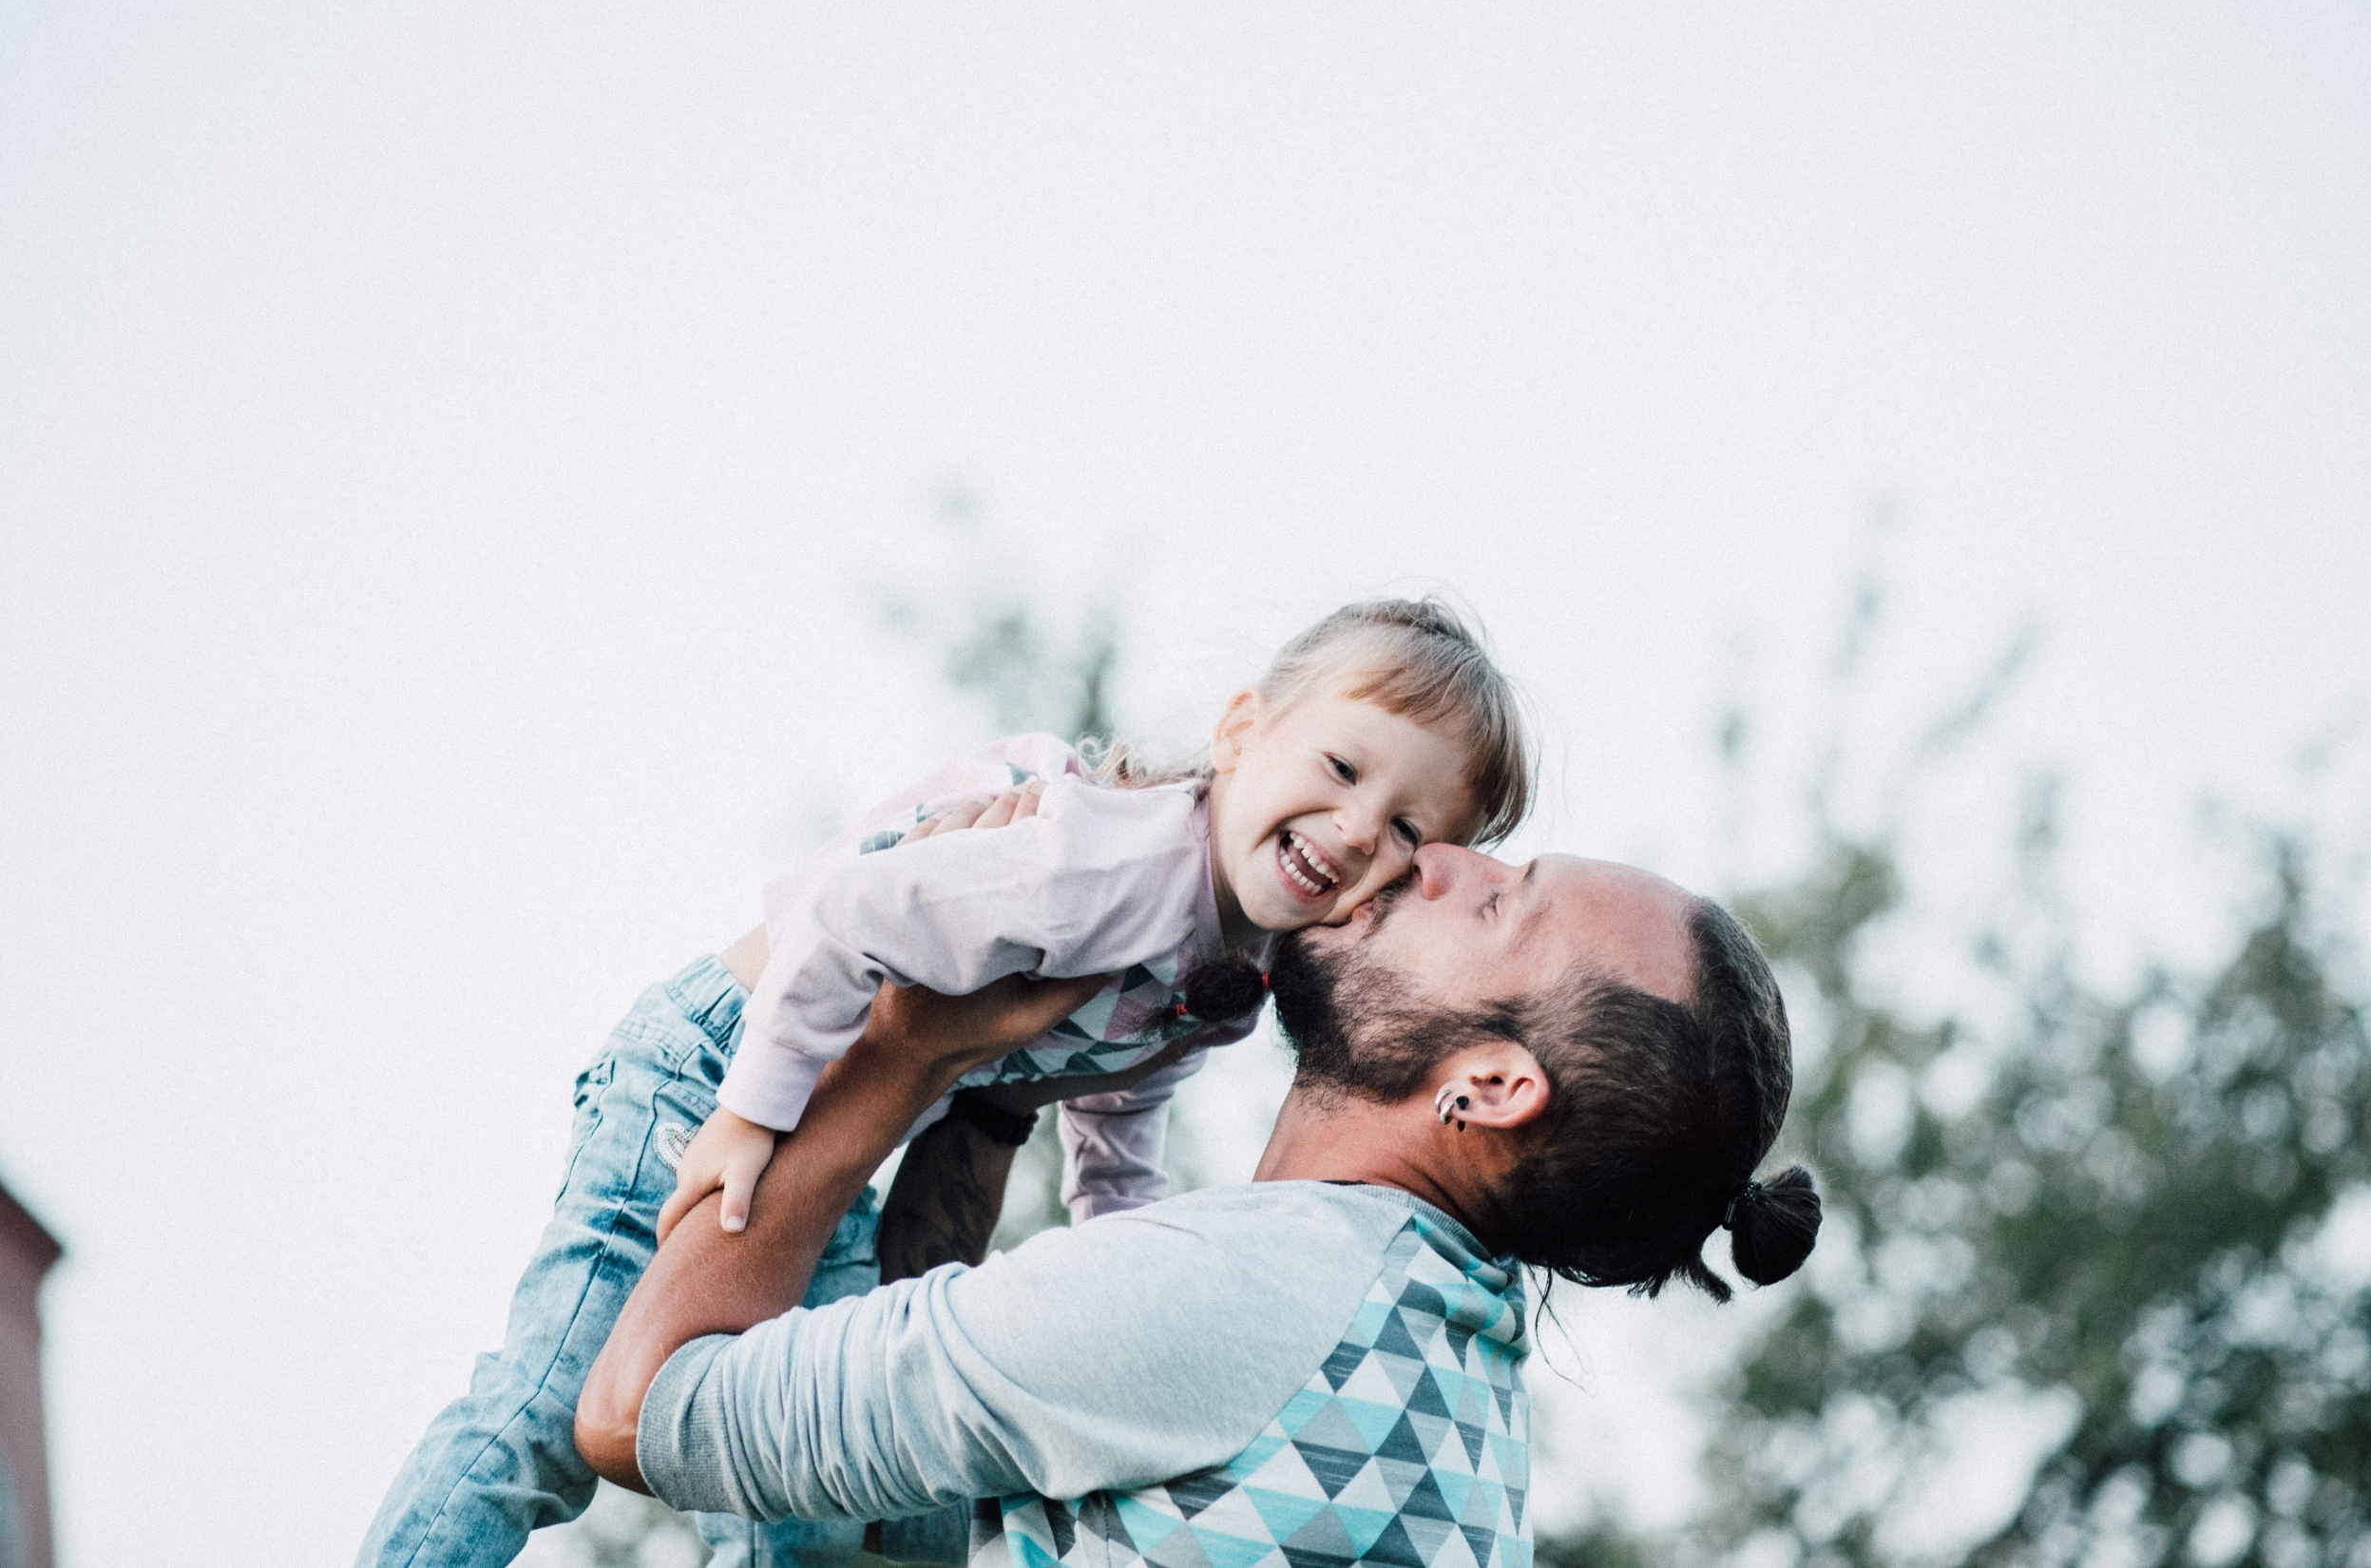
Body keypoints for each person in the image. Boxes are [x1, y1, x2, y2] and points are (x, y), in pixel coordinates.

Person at [356, 599, 1536, 1568]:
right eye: (1339, 767)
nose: (1352, 827)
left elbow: (1119, 1112)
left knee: (797, 1512)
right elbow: (845, 912)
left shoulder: (1237, 969)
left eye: (1402, 829)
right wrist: (747, 1111)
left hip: (846, 1125)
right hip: (717, 1070)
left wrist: (1128, 1259)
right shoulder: (1102, 858)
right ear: (1240, 732)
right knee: (545, 1415)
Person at [574, 839, 1825, 1568]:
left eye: (1497, 903)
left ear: (1492, 1085)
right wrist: (997, 1093)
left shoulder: (1250, 1294)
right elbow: (920, 1498)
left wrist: (895, 1048)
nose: (1433, 855)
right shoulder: (1438, 1381)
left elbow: (642, 1412)